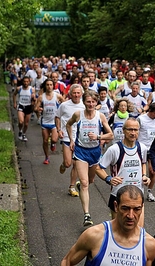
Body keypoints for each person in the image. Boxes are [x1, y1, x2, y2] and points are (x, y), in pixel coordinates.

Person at [61, 185, 155, 266]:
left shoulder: (149, 245)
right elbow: (67, 262)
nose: (130, 215)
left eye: (136, 209)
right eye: (125, 208)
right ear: (116, 206)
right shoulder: (95, 236)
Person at [67, 90, 113, 226]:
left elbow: (110, 135)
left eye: (93, 102)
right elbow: (68, 125)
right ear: (84, 102)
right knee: (85, 183)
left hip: (95, 152)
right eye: (88, 101)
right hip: (81, 152)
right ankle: (87, 215)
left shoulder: (100, 116)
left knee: (91, 180)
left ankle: (81, 186)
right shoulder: (78, 115)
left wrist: (98, 137)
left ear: (96, 102)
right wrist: (71, 140)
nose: (91, 104)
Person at [96, 118, 150, 227]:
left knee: (138, 231)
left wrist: (144, 175)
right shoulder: (114, 149)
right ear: (124, 131)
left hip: (137, 195)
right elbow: (98, 168)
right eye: (130, 129)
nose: (133, 133)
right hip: (118, 196)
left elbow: (143, 163)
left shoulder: (142, 148)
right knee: (119, 232)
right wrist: (109, 179)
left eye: (136, 130)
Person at [55, 84, 85, 197]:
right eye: (74, 93)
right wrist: (59, 130)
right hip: (67, 137)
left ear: (81, 94)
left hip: (80, 139)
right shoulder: (64, 105)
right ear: (70, 94)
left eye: (78, 93)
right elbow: (57, 117)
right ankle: (63, 164)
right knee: (68, 163)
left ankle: (71, 187)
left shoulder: (84, 106)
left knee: (76, 164)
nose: (76, 95)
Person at [137, 103, 155, 202]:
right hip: (141, 148)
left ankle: (149, 191)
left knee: (152, 171)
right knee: (140, 171)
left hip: (153, 149)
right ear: (150, 111)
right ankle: (139, 190)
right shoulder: (141, 119)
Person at [34, 79, 64, 164]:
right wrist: (38, 109)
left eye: (51, 85)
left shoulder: (57, 96)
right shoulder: (41, 97)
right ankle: (47, 157)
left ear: (53, 86)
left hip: (54, 122)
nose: (49, 86)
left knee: (54, 140)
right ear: (45, 86)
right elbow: (35, 108)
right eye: (47, 85)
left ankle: (53, 144)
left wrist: (61, 110)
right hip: (45, 121)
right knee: (45, 140)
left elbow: (65, 104)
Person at [13, 76, 35, 142]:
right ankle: (20, 131)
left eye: (27, 82)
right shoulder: (19, 88)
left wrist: (33, 98)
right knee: (21, 121)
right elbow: (14, 94)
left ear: (29, 82)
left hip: (28, 106)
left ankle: (24, 134)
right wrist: (14, 103)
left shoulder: (32, 89)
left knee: (26, 124)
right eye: (24, 81)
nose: (25, 83)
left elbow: (34, 99)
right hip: (21, 106)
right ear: (22, 82)